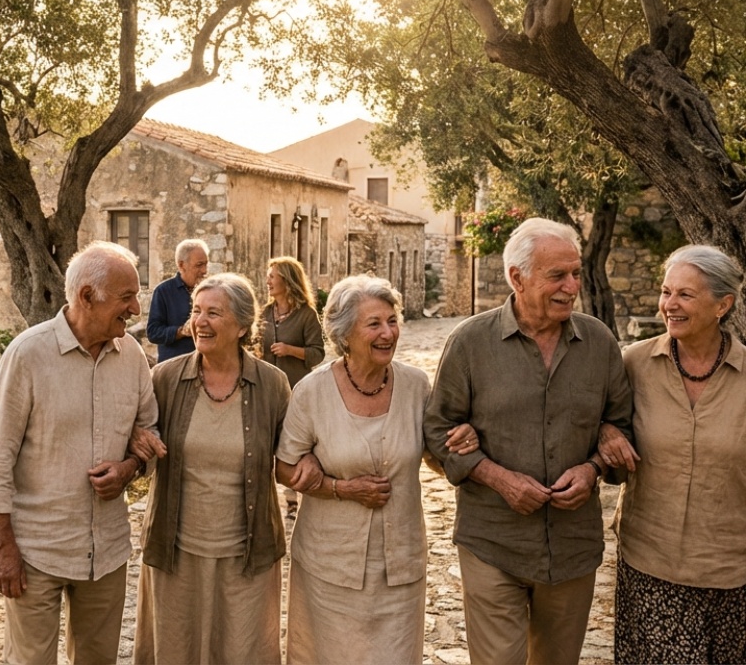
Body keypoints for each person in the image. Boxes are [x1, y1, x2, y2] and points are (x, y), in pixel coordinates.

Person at [423, 217, 633, 665]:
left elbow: (624, 427)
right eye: (557, 275)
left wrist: (593, 467)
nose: (572, 285)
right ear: (517, 278)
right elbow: (438, 431)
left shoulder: (598, 343)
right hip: (492, 542)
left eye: (575, 273)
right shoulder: (470, 343)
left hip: (573, 547)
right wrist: (498, 478)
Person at [0, 241, 166, 665]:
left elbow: (149, 431)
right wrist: (3, 549)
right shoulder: (27, 355)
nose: (136, 309)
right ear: (85, 296)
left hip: (109, 552)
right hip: (36, 551)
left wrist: (130, 467)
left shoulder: (132, 356)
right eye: (126, 297)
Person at [275, 275, 478, 665]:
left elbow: (437, 456)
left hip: (399, 568)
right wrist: (341, 488)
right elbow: (285, 468)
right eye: (374, 324)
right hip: (328, 567)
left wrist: (461, 440)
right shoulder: (313, 392)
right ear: (344, 334)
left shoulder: (416, 386)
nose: (388, 333)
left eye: (392, 320)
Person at [598, 245, 746, 664]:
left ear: (723, 304)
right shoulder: (634, 365)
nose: (670, 305)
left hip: (732, 574)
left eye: (685, 295)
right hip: (651, 564)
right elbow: (599, 421)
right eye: (666, 292)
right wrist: (607, 430)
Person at [134, 273, 290, 665]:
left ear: (241, 326)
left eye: (213, 313)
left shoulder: (272, 384)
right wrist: (137, 443)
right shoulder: (166, 379)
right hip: (177, 548)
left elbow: (293, 459)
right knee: (176, 648)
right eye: (196, 311)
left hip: (247, 552)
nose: (199, 322)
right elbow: (138, 444)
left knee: (243, 649)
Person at [260, 256, 325, 388]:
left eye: (272, 277)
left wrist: (290, 350)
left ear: (287, 280)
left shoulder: (307, 314)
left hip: (296, 388)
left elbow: (317, 354)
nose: (267, 282)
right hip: (267, 389)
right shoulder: (265, 313)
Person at [147, 239, 209, 361]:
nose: (205, 270)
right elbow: (153, 333)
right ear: (181, 265)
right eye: (199, 265)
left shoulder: (210, 290)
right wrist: (181, 332)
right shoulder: (163, 291)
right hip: (174, 368)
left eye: (206, 264)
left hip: (205, 366)